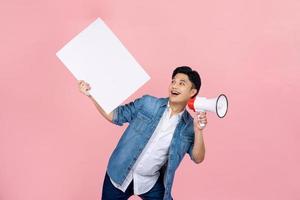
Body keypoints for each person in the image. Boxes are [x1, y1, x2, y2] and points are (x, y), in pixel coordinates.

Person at [78, 66, 207, 200]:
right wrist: (91, 95)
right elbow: (116, 115)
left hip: (149, 182)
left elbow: (198, 158)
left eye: (181, 83)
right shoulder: (148, 103)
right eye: (173, 81)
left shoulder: (189, 126)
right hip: (118, 174)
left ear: (192, 92)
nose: (174, 86)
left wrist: (198, 130)